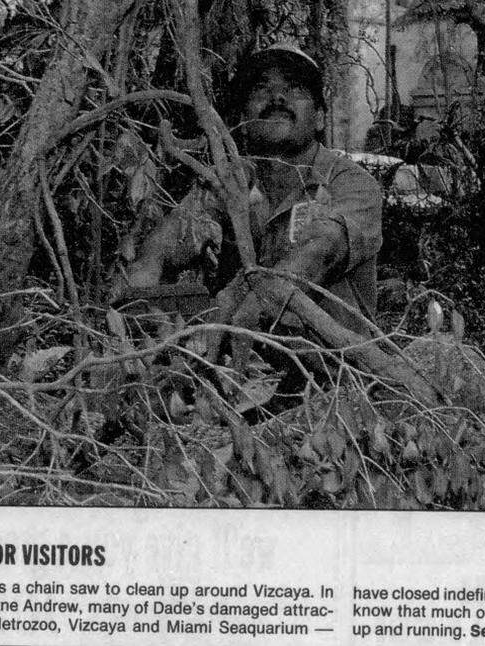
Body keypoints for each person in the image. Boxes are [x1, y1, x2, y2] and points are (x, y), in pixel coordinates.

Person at [113, 44, 384, 412]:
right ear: (242, 116)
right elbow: (170, 239)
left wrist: (250, 295)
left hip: (331, 390)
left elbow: (323, 248)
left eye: (294, 89)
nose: (276, 98)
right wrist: (140, 289)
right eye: (261, 89)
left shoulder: (351, 184)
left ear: (320, 118)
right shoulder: (233, 181)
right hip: (241, 384)